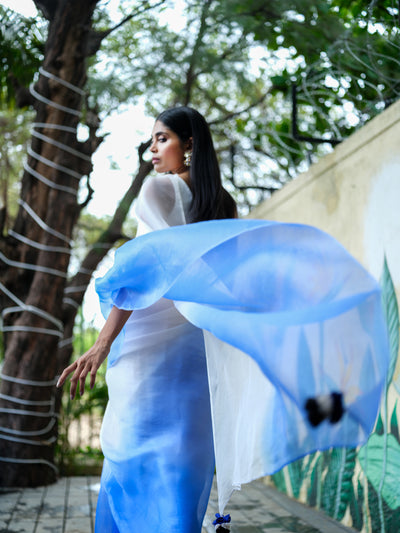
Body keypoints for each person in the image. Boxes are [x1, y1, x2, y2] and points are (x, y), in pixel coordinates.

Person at [57, 106, 389, 533]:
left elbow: (141, 274)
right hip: (196, 348)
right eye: (151, 141)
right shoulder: (222, 203)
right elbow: (229, 280)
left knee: (138, 454)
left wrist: (102, 343)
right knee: (184, 458)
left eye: (162, 139)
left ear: (189, 144)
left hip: (152, 353)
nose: (152, 150)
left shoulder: (158, 190)